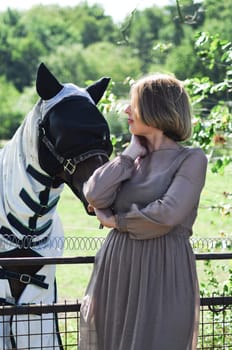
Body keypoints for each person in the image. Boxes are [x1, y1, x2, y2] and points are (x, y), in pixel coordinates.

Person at [79, 73, 208, 350]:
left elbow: (168, 214)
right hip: (117, 270)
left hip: (163, 270)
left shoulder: (192, 159)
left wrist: (116, 221)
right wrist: (127, 155)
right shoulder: (132, 159)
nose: (125, 110)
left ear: (156, 108)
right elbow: (93, 193)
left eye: (133, 103)